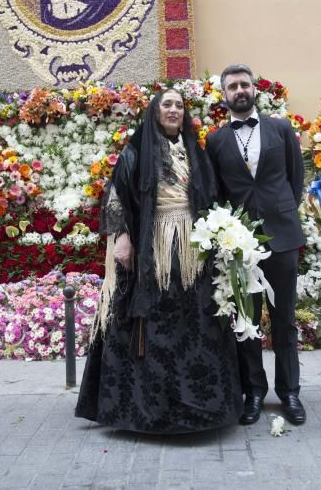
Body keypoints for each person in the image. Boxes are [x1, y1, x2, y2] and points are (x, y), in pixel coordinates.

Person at [75, 89, 243, 433]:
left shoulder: (197, 152)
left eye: (179, 105)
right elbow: (117, 194)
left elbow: (213, 196)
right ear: (155, 111)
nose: (173, 110)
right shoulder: (137, 150)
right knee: (151, 322)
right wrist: (121, 237)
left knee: (198, 320)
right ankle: (145, 409)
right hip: (152, 248)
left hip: (194, 247)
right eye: (167, 104)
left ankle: (203, 406)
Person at [206, 64, 306, 426]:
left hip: (282, 239)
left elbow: (295, 180)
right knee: (246, 320)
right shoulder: (215, 140)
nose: (240, 90)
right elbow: (217, 190)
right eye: (232, 86)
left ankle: (290, 393)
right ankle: (254, 392)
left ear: (254, 89)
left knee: (284, 319)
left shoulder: (280, 128)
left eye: (244, 84)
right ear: (224, 95)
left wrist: (281, 213)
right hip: (240, 244)